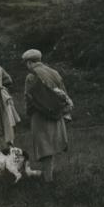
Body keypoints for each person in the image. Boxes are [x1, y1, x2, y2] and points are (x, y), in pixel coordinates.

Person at [22, 49, 72, 183]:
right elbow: (64, 93)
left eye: (26, 63)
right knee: (52, 145)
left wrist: (28, 113)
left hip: (40, 116)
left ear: (29, 62)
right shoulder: (54, 73)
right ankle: (49, 175)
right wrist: (65, 112)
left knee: (44, 147)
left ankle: (48, 180)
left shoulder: (31, 76)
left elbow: (28, 98)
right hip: (56, 114)